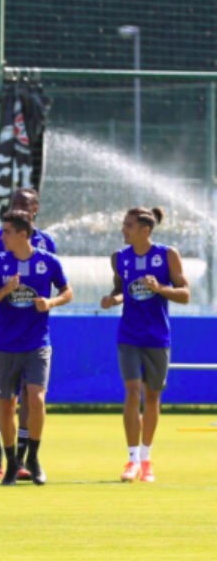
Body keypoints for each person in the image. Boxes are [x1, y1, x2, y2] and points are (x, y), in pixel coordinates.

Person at [0, 210, 72, 485]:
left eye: (6, 231)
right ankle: (11, 462)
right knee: (6, 404)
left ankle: (33, 456)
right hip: (6, 345)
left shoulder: (48, 261)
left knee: (37, 398)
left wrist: (51, 303)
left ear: (22, 234)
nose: (1, 236)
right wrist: (4, 291)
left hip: (37, 343)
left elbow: (68, 291)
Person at [101, 207, 190, 483]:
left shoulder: (167, 255)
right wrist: (112, 300)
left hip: (157, 338)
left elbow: (185, 294)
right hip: (128, 336)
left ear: (145, 230)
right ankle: (131, 460)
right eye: (123, 224)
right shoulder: (120, 258)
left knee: (152, 397)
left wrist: (160, 288)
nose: (123, 230)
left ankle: (146, 458)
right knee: (132, 392)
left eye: (128, 226)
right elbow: (120, 291)